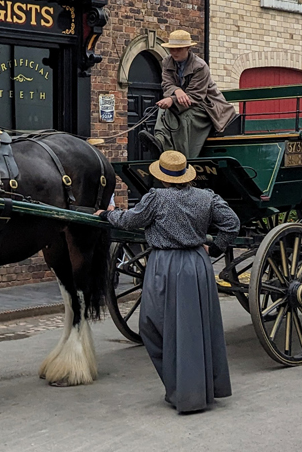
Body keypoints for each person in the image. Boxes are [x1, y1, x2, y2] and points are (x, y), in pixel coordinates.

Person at [101, 150, 239, 414]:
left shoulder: (156, 197)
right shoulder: (206, 197)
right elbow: (232, 223)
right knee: (195, 328)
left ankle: (182, 390)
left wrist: (108, 214)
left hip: (165, 265)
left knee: (152, 325)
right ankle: (197, 389)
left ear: (162, 178)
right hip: (198, 264)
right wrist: (217, 248)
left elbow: (132, 220)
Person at [153, 29, 238, 160]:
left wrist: (172, 99)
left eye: (178, 49)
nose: (174, 52)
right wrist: (177, 91)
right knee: (163, 109)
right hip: (183, 101)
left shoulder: (200, 66)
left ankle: (182, 157)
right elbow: (166, 84)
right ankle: (160, 142)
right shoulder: (166, 62)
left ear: (187, 48)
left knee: (184, 118)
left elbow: (196, 96)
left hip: (206, 106)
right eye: (172, 49)